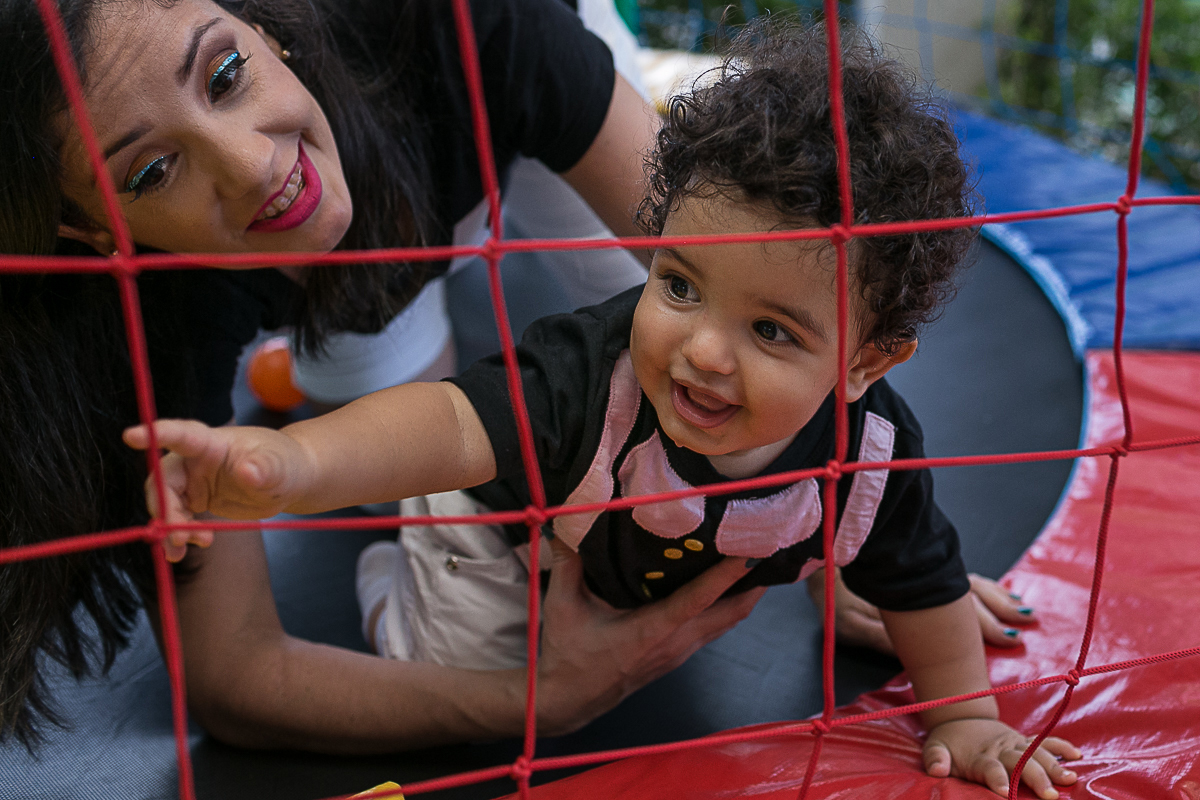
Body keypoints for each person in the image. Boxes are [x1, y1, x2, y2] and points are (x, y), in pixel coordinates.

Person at [126, 20, 1081, 799]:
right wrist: (292, 467)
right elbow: (449, 426)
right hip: (502, 527)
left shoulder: (870, 453)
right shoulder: (594, 374)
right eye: (678, 284)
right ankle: (392, 568)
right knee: (449, 646)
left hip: (628, 526)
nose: (703, 352)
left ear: (869, 361)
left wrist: (964, 715)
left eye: (774, 333)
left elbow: (923, 584)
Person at [0, 0, 765, 753]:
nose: (254, 166)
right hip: (349, 238)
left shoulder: (482, 29)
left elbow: (757, 312)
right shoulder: (146, 313)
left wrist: (845, 533)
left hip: (471, 106)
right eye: (155, 170)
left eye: (226, 74)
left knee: (669, 354)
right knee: (401, 489)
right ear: (88, 228)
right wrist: (545, 700)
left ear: (261, 25)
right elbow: (234, 674)